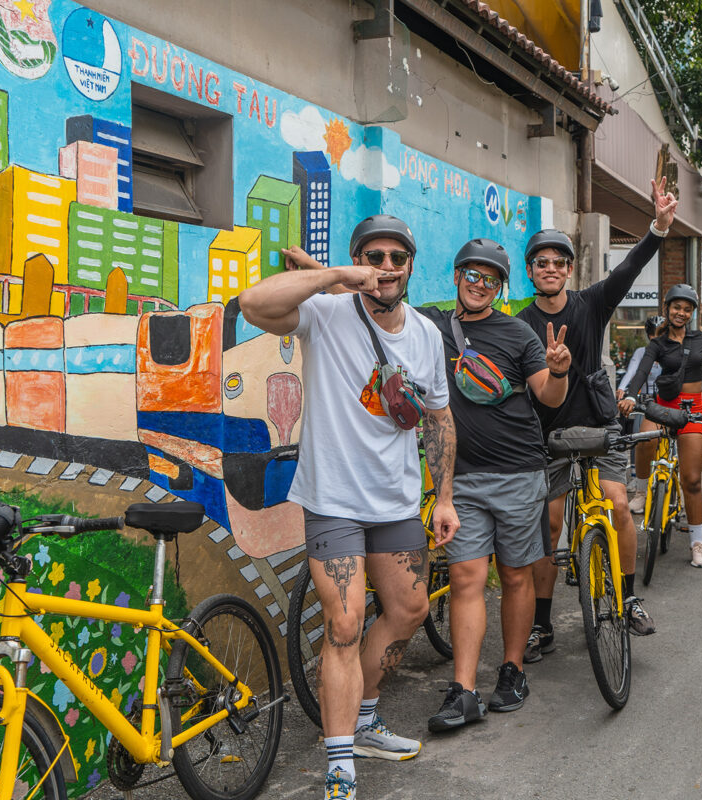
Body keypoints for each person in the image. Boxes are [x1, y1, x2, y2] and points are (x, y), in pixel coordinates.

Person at [238, 215, 460, 800]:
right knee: (343, 622)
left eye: (396, 258)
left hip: (394, 500)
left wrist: (444, 495)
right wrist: (335, 276)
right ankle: (339, 761)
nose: (385, 267)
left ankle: (363, 721)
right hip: (334, 499)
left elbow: (437, 416)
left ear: (410, 266)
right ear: (360, 261)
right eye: (373, 256)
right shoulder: (326, 313)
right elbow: (252, 304)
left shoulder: (426, 336)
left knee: (409, 610)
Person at [517, 176, 678, 660]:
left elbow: (629, 268)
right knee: (547, 524)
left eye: (557, 262)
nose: (549, 269)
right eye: (540, 263)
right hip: (547, 434)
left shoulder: (592, 303)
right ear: (530, 272)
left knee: (618, 504)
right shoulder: (519, 324)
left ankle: (627, 598)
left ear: (569, 269)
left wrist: (659, 227)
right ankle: (543, 624)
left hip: (599, 423)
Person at [414, 239, 571, 732]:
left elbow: (546, 392)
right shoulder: (432, 326)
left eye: (490, 278)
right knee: (465, 579)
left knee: (517, 575)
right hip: (459, 481)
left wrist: (560, 370)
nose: (479, 285)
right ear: (456, 277)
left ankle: (513, 669)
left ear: (501, 286)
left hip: (520, 472)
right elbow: (379, 300)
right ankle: (463, 690)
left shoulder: (518, 333)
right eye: (471, 275)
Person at [619, 284, 702, 568]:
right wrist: (630, 395)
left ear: (692, 313)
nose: (681, 312)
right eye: (677, 307)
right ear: (667, 309)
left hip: (693, 410)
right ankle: (641, 491)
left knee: (692, 480)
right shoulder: (657, 343)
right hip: (663, 406)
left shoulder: (701, 340)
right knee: (643, 436)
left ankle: (696, 544)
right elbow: (641, 372)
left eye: (687, 309)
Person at [618, 315, 665, 514]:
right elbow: (633, 372)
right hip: (644, 398)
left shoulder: (671, 349)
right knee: (638, 436)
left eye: (660, 334)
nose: (656, 339)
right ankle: (638, 478)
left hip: (665, 399)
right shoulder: (642, 351)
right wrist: (623, 389)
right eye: (652, 335)